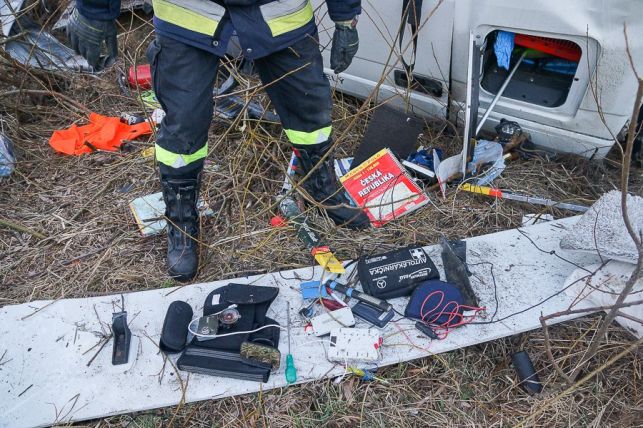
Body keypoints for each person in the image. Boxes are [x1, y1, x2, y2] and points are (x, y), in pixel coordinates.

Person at [68, 0, 370, 281]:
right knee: (184, 126)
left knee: (310, 111)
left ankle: (322, 192)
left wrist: (345, 16)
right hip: (189, 15)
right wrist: (95, 10)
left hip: (281, 14)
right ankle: (182, 222)